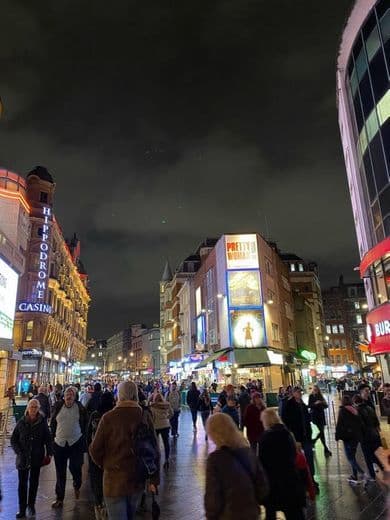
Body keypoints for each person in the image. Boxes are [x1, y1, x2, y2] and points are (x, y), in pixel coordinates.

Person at [89, 381, 160, 520]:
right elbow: (154, 450)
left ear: (119, 394)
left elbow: (94, 449)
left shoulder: (108, 418)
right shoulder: (144, 416)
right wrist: (154, 479)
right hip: (136, 479)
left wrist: (106, 465)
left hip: (113, 481)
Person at [204, 413, 268, 520]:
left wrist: (210, 515)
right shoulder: (248, 453)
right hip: (252, 514)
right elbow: (263, 488)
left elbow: (213, 499)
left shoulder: (215, 460)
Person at [259, 409, 307, 520]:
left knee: (270, 513)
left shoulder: (265, 437)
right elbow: (294, 455)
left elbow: (262, 462)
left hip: (274, 483)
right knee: (294, 513)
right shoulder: (287, 434)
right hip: (291, 480)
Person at [11, 399, 53, 518]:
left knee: (34, 483)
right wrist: (18, 452)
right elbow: (14, 439)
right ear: (28, 408)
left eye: (35, 407)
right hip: (23, 458)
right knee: (22, 484)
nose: (33, 409)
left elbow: (48, 438)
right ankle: (22, 508)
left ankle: (31, 505)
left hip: (36, 457)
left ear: (38, 409)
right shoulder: (21, 422)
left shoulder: (42, 422)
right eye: (31, 407)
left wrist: (49, 453)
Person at [51, 386, 88, 509]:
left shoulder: (80, 408)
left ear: (75, 396)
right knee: (60, 472)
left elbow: (85, 425)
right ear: (64, 395)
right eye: (67, 393)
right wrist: (52, 439)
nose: (69, 396)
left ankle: (77, 484)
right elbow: (53, 423)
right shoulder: (58, 406)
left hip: (75, 443)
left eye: (71, 394)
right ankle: (59, 498)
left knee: (75, 467)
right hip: (60, 443)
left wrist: (84, 439)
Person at [282, 386, 318, 492]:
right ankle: (301, 481)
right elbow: (285, 420)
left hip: (306, 435)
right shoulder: (289, 404)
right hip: (296, 437)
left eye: (300, 392)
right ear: (293, 393)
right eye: (297, 392)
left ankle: (311, 479)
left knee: (309, 457)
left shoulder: (302, 404)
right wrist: (291, 435)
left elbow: (307, 418)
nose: (299, 393)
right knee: (298, 459)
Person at [87, 391, 116, 519]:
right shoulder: (115, 415)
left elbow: (88, 436)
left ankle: (99, 508)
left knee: (97, 483)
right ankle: (109, 508)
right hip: (112, 456)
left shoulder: (95, 415)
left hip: (96, 456)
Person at [335, 395, 365, 483]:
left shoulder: (343, 410)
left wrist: (337, 435)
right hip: (356, 437)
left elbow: (339, 424)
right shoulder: (354, 410)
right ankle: (354, 476)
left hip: (348, 438)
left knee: (350, 458)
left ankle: (362, 473)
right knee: (353, 457)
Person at [353, 394, 382, 482]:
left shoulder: (357, 411)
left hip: (366, 438)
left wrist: (359, 437)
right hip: (375, 435)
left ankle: (373, 476)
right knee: (376, 455)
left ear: (355, 402)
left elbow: (360, 426)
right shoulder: (370, 408)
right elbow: (376, 422)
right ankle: (384, 469)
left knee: (368, 458)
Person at [150, 392, 173, 469]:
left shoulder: (152, 406)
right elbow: (171, 413)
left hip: (156, 426)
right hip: (166, 425)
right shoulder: (167, 405)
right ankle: (166, 459)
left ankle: (156, 458)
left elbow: (152, 417)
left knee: (155, 444)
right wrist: (167, 418)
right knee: (166, 443)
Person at [308, 385, 331, 457]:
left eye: (316, 390)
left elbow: (326, 406)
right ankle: (325, 449)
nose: (315, 391)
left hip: (321, 416)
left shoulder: (320, 396)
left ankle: (314, 441)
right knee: (321, 432)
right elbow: (309, 406)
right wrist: (315, 403)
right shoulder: (311, 396)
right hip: (315, 416)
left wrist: (322, 403)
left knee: (321, 432)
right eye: (314, 390)